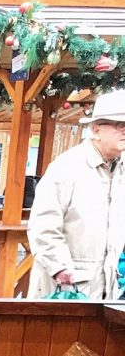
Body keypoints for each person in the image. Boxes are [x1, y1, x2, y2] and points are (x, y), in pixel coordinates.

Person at [28, 89, 125, 300]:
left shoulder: (121, 170)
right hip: (65, 289)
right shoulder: (66, 168)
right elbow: (42, 226)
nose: (124, 131)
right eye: (119, 125)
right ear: (96, 129)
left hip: (108, 289)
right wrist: (60, 268)